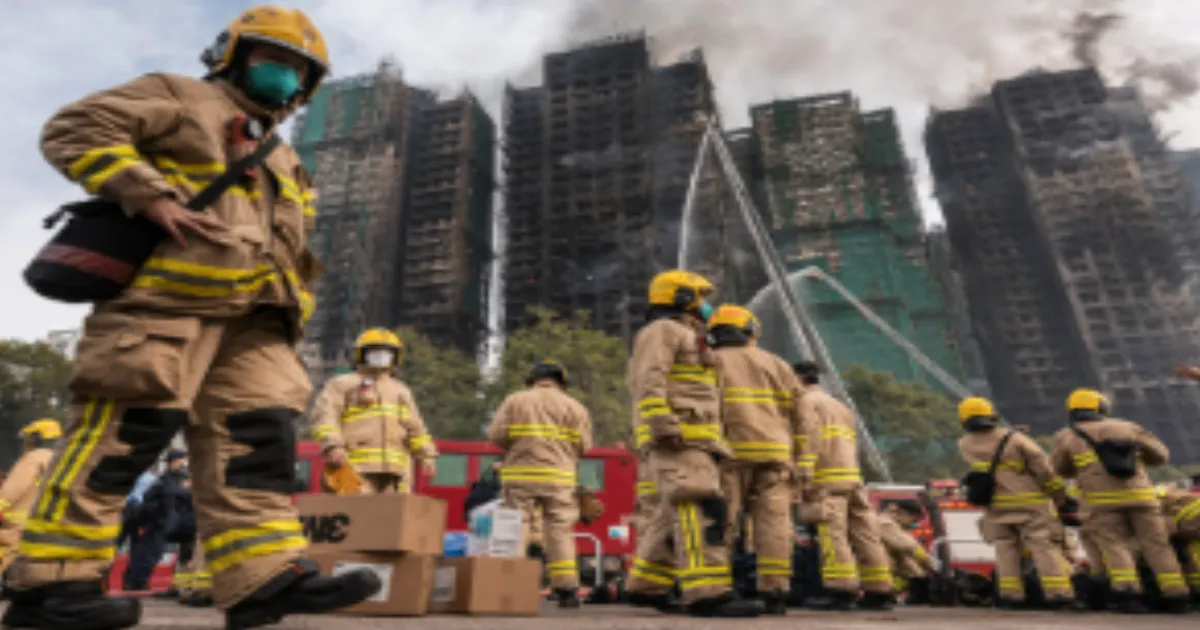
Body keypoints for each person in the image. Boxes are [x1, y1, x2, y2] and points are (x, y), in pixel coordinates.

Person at [1, 7, 382, 629]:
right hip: (166, 306)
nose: (283, 75)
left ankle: (259, 577)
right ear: (231, 55)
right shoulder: (180, 97)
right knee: (123, 440)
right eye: (272, 59)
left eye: (297, 69)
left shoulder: (282, 155)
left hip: (259, 323)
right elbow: (75, 127)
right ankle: (51, 584)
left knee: (258, 447)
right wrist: (147, 192)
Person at [626, 270, 763, 617]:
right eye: (699, 298)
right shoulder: (663, 331)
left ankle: (648, 585)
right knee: (699, 508)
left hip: (696, 438)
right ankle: (707, 594)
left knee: (671, 513)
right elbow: (648, 380)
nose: (705, 307)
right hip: (679, 436)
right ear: (681, 297)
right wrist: (662, 424)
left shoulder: (689, 336)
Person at [706, 304, 811, 614]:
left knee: (721, 522)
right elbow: (803, 418)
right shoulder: (777, 364)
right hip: (776, 456)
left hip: (729, 455)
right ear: (751, 330)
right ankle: (775, 591)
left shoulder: (708, 363)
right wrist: (802, 460)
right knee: (774, 525)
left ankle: (717, 589)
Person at [1050, 389, 1189, 614]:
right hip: (1141, 498)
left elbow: (1060, 469)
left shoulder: (1068, 436)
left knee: (1115, 546)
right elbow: (1161, 455)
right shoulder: (1128, 427)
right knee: (1157, 544)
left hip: (1100, 503)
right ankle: (1176, 594)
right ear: (1102, 407)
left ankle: (1128, 595)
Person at [487, 360, 593, 608]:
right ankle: (566, 588)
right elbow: (585, 446)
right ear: (562, 382)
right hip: (560, 478)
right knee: (559, 531)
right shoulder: (575, 407)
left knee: (516, 525)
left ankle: (511, 584)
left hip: (520, 476)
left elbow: (496, 436)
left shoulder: (515, 401)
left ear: (532, 379)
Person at [957, 396, 1075, 609]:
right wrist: (1058, 493)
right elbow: (1042, 466)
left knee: (1005, 549)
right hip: (1030, 503)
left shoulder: (965, 443)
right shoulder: (1015, 438)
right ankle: (1058, 593)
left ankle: (1011, 595)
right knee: (1042, 546)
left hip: (995, 505)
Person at [796, 360, 894, 611]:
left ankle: (841, 590)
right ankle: (880, 589)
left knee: (832, 534)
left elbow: (809, 437)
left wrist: (805, 473)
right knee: (865, 534)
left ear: (797, 379)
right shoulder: (840, 406)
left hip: (826, 478)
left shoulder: (806, 403)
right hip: (852, 476)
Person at [310, 328, 438, 494]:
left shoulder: (400, 391)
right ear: (362, 354)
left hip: (396, 474)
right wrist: (332, 445)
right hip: (354, 468)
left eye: (387, 352)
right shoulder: (342, 384)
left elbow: (416, 429)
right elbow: (326, 417)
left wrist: (426, 455)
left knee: (391, 518)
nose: (382, 355)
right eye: (375, 350)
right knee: (356, 515)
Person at [0, 420, 61, 575]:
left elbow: (14, 488)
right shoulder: (61, 460)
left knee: (7, 555)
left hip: (18, 523)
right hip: (47, 522)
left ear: (37, 439)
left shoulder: (33, 458)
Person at [123, 450, 188, 592]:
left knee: (148, 551)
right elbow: (168, 499)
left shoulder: (171, 477)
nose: (185, 463)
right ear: (175, 461)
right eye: (183, 460)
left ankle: (136, 580)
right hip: (157, 520)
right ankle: (137, 581)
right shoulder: (169, 478)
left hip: (157, 519)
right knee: (151, 551)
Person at [877, 501, 937, 604]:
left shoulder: (896, 525)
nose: (914, 524)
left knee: (911, 570)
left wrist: (920, 576)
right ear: (904, 513)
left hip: (883, 568)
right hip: (876, 566)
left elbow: (907, 560)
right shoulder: (885, 523)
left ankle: (888, 592)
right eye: (914, 520)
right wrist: (929, 562)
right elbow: (908, 546)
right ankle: (883, 592)